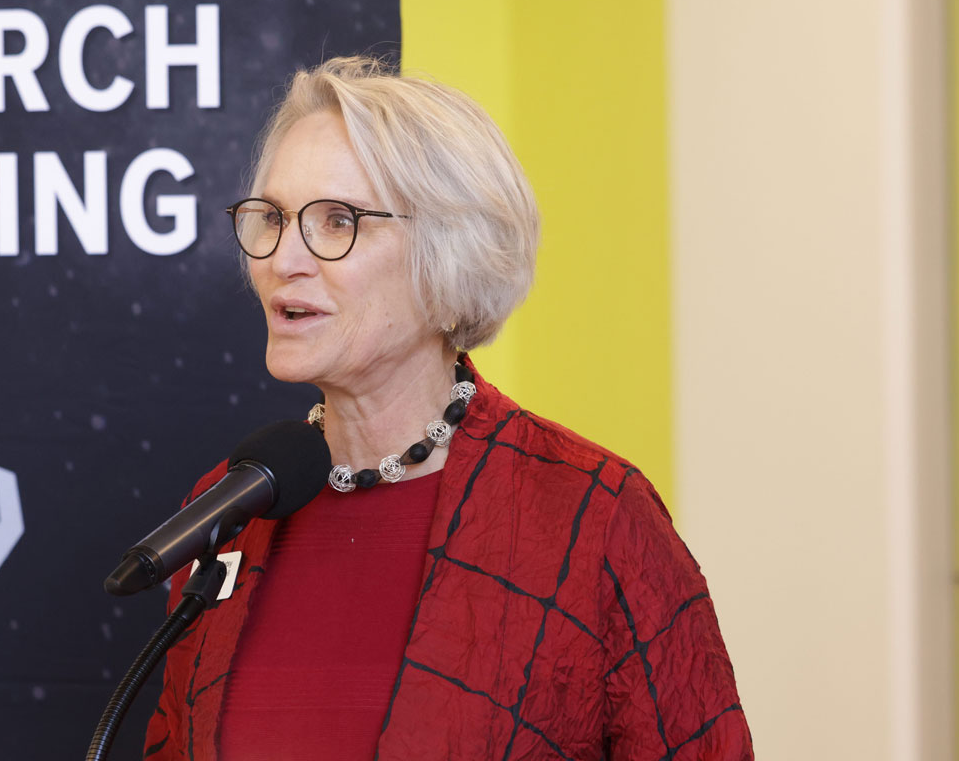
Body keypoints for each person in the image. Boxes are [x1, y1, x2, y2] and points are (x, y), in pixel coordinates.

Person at [142, 57, 751, 761]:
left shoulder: (593, 518)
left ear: (449, 255)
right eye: (272, 218)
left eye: (337, 221)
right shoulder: (230, 509)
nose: (285, 259)